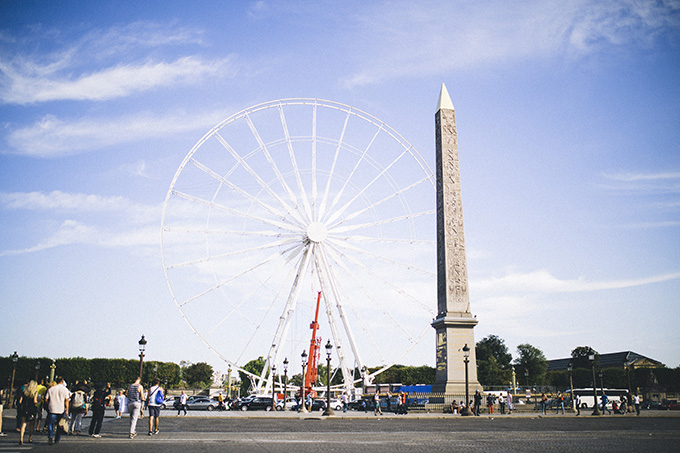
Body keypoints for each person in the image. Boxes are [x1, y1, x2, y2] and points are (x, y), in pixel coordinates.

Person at [45, 376, 71, 445]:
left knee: (50, 424)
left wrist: (49, 404)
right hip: (61, 409)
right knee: (59, 425)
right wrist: (67, 410)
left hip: (52, 408)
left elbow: (46, 399)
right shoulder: (65, 389)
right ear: (62, 381)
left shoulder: (51, 389)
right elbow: (66, 400)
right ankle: (57, 439)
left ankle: (50, 435)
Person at [18, 380, 38, 445]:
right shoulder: (35, 392)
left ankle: (21, 438)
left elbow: (20, 401)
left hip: (24, 408)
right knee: (31, 424)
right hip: (31, 409)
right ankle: (30, 438)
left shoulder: (24, 392)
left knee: (23, 424)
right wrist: (38, 402)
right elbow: (35, 401)